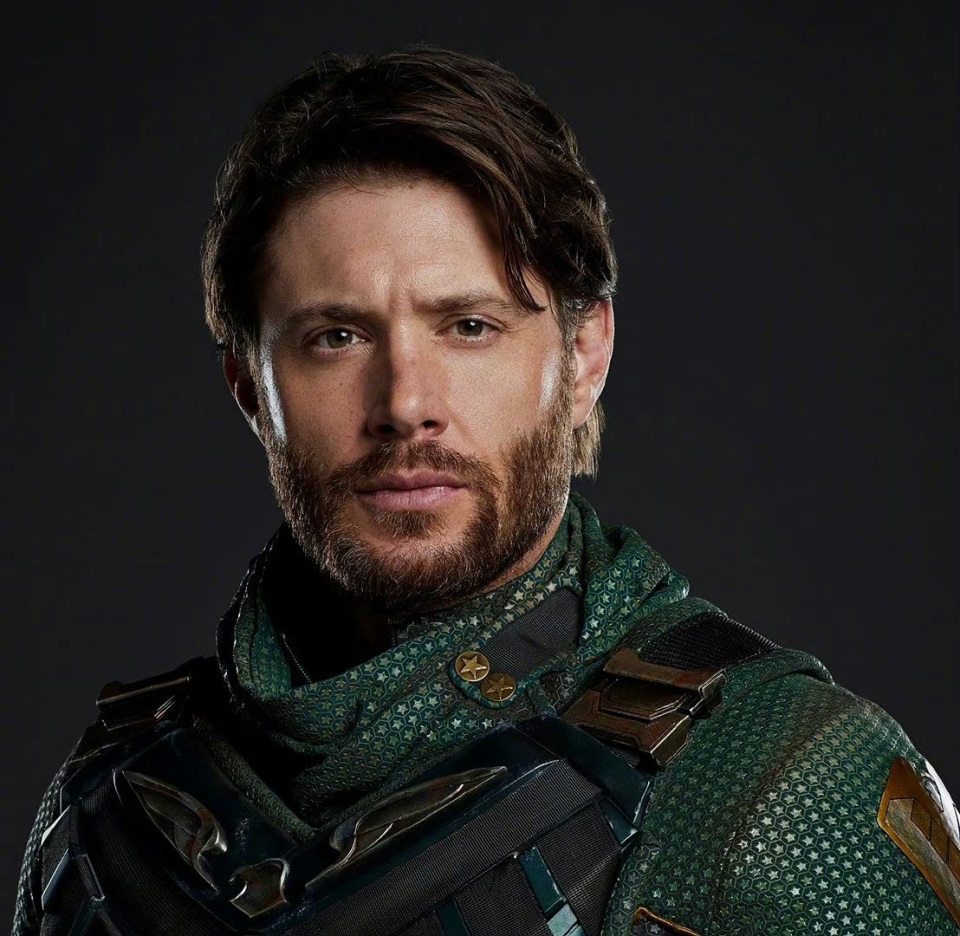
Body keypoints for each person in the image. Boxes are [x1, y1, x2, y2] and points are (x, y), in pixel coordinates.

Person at [12, 46, 958, 936]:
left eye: (469, 326)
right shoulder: (101, 822)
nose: (404, 405)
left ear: (583, 357)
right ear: (249, 390)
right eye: (336, 337)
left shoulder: (784, 786)